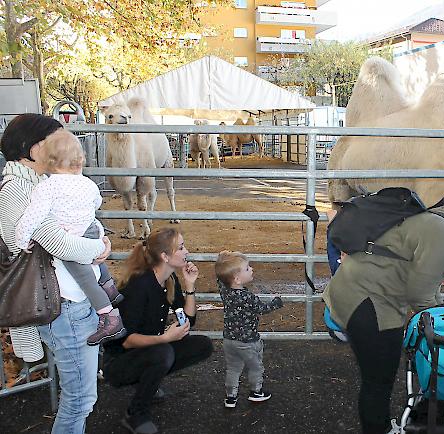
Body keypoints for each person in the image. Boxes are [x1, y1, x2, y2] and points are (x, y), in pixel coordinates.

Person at [323, 199, 444, 434]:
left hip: (368, 294)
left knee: (380, 377)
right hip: (367, 300)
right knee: (378, 381)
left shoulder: (443, 221)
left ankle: (381, 427)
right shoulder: (443, 233)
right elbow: (421, 295)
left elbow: (428, 289)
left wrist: (442, 320)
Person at [0, 113, 111, 434]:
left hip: (65, 301)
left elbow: (81, 225)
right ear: (34, 150)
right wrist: (99, 248)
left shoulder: (42, 185)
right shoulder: (18, 191)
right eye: (56, 141)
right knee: (80, 399)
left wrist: (97, 239)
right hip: (64, 306)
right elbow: (59, 243)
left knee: (80, 397)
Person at [14, 129, 125, 346]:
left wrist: (22, 238)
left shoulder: (47, 187)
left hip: (72, 236)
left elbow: (32, 216)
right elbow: (96, 204)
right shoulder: (88, 184)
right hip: (90, 229)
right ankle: (109, 285)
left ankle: (109, 317)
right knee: (97, 252)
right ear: (80, 158)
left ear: (48, 160)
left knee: (84, 278)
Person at [102, 227, 214, 434]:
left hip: (147, 351)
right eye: (180, 248)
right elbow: (125, 341)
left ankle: (148, 381)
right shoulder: (139, 285)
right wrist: (165, 338)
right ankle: (136, 414)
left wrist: (190, 286)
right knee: (163, 352)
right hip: (118, 363)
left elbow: (188, 320)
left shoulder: (170, 279)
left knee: (203, 345)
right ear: (165, 256)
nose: (186, 251)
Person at [215, 250, 284, 409]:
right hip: (248, 341)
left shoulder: (225, 291)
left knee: (233, 368)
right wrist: (277, 302)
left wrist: (221, 261)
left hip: (229, 340)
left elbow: (220, 278)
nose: (251, 269)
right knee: (256, 366)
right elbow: (262, 309)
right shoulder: (247, 297)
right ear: (237, 279)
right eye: (247, 268)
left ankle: (230, 397)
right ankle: (256, 392)